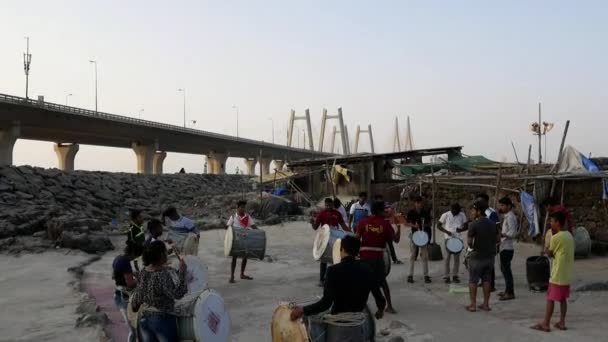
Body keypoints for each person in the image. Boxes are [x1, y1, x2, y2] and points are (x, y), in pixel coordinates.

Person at [290, 234, 387, 321]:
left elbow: (326, 303)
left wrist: (303, 310)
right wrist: (380, 310)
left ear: (343, 249)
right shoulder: (367, 269)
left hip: (339, 324)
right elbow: (378, 296)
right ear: (357, 251)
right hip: (358, 320)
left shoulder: (333, 270)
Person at [130, 241, 188, 342]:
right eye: (165, 252)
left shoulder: (143, 272)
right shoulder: (162, 274)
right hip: (162, 321)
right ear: (161, 255)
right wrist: (182, 272)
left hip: (145, 320)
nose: (167, 255)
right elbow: (177, 294)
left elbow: (137, 299)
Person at [531, 211, 575, 332]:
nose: (550, 223)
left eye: (552, 221)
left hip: (558, 272)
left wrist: (545, 248)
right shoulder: (569, 235)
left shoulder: (556, 237)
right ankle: (562, 321)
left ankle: (546, 323)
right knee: (562, 298)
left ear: (558, 223)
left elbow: (550, 253)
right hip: (567, 273)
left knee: (550, 298)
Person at [356, 201, 401, 314]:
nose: (386, 212)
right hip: (377, 258)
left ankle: (360, 308)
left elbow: (356, 240)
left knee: (363, 283)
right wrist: (399, 226)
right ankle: (389, 306)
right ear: (380, 211)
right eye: (384, 210)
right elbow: (396, 239)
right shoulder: (385, 225)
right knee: (383, 283)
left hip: (364, 257)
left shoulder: (363, 222)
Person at [465, 200, 499, 312]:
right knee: (486, 280)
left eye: (474, 210)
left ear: (479, 211)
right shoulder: (492, 224)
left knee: (473, 281)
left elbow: (469, 242)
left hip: (477, 256)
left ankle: (473, 305)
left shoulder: (473, 224)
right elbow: (498, 239)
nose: (472, 212)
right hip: (489, 257)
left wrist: (473, 246)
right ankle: (485, 304)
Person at [311, 197, 350, 286]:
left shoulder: (337, 214)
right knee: (324, 260)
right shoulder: (321, 214)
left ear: (333, 204)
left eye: (330, 205)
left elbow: (343, 225)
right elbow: (315, 227)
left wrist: (350, 233)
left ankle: (336, 280)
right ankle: (321, 280)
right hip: (324, 239)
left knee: (337, 259)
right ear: (325, 205)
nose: (328, 207)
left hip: (335, 238)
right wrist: (312, 223)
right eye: (327, 205)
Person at [112, 241, 143, 342]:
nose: (134, 259)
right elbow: (130, 283)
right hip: (124, 297)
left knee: (133, 329)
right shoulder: (125, 261)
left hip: (118, 294)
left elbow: (115, 276)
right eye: (136, 256)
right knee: (134, 330)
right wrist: (140, 279)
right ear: (133, 252)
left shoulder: (118, 258)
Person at [227, 200, 257, 283]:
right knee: (234, 258)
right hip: (236, 240)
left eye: (244, 207)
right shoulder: (233, 217)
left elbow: (253, 226)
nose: (243, 209)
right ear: (237, 208)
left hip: (245, 239)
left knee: (245, 257)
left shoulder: (247, 217)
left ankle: (242, 274)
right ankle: (232, 276)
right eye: (241, 207)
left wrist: (259, 232)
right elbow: (228, 227)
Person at [437, 203, 467, 284]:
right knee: (447, 258)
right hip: (448, 238)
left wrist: (460, 230)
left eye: (458, 210)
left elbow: (466, 226)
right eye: (456, 211)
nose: (457, 212)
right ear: (452, 209)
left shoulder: (462, 215)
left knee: (456, 259)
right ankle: (446, 276)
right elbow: (438, 225)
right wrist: (446, 231)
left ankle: (455, 276)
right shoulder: (445, 215)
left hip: (458, 239)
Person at [407, 196, 432, 283]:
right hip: (414, 235)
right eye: (417, 203)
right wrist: (414, 226)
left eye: (420, 203)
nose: (419, 205)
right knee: (412, 256)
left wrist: (424, 225)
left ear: (422, 203)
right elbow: (406, 223)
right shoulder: (411, 212)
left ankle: (426, 275)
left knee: (424, 256)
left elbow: (430, 223)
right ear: (415, 203)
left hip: (423, 236)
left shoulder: (425, 212)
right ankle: (410, 275)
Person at [498, 196, 519, 301]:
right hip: (503, 246)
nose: (501, 207)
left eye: (502, 205)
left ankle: (510, 292)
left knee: (506, 270)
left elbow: (513, 233)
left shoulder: (511, 217)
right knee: (503, 269)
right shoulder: (506, 216)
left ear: (508, 206)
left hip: (507, 247)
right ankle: (507, 290)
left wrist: (502, 235)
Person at [477, 193, 499, 291]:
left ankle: (491, 285)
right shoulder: (479, 212)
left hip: (489, 242)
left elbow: (496, 227)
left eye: (480, 201)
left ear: (486, 201)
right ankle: (484, 281)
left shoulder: (491, 212)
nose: (478, 202)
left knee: (489, 264)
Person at [374, 194, 403, 265]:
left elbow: (389, 214)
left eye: (380, 199)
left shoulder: (385, 206)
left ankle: (394, 259)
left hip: (386, 226)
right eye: (378, 199)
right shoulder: (375, 207)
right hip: (378, 227)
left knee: (390, 243)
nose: (379, 200)